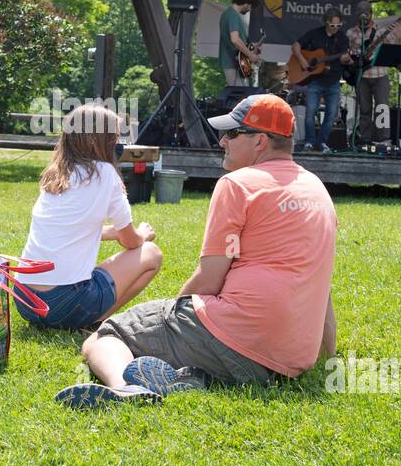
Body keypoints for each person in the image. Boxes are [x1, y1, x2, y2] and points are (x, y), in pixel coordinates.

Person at [55, 94, 338, 408]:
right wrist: (323, 354)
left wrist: (171, 315)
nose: (222, 141)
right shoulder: (317, 190)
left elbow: (209, 279)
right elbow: (321, 284)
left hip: (237, 339)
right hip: (286, 361)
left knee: (106, 336)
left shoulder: (238, 184)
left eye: (232, 133)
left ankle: (126, 388)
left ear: (260, 142)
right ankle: (189, 377)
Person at [18, 105, 163, 330]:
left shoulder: (55, 173)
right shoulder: (105, 174)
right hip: (64, 304)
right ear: (98, 141)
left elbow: (68, 228)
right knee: (151, 254)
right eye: (114, 138)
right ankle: (95, 321)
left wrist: (111, 233)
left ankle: (83, 317)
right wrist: (142, 234)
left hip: (25, 299)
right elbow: (131, 242)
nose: (118, 144)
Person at [292, 8, 353, 153]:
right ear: (326, 22)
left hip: (333, 81)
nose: (336, 28)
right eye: (333, 25)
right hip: (315, 80)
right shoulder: (314, 34)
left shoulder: (343, 39)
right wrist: (302, 61)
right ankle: (309, 142)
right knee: (310, 113)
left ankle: (322, 142)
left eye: (339, 26)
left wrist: (347, 59)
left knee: (331, 115)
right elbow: (296, 46)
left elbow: (346, 58)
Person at [347, 1, 401, 148]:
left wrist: (398, 36)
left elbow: (395, 50)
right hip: (361, 76)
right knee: (364, 109)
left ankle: (383, 138)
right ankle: (365, 139)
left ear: (371, 14)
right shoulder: (351, 33)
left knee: (382, 108)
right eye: (360, 14)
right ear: (357, 15)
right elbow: (347, 54)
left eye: (366, 14)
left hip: (380, 74)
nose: (363, 17)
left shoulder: (380, 31)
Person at [219, 0, 260, 87]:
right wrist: (250, 55)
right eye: (251, 6)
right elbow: (235, 40)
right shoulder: (233, 16)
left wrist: (251, 47)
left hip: (236, 62)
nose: (250, 9)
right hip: (232, 62)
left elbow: (237, 40)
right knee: (239, 96)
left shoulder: (229, 14)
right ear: (246, 2)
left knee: (240, 94)